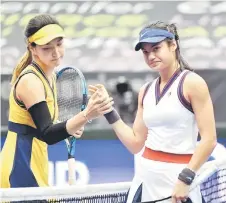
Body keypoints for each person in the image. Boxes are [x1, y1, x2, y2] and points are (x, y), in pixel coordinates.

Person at [89, 21, 217, 203]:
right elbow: (135, 144)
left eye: (156, 48)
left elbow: (209, 140)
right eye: (146, 52)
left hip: (178, 183)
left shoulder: (192, 83)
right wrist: (109, 111)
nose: (150, 56)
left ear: (173, 45)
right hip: (146, 180)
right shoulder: (146, 91)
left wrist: (186, 178)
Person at [0, 14, 113, 188]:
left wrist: (71, 125)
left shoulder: (51, 75)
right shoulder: (31, 82)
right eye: (47, 48)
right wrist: (86, 115)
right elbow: (48, 133)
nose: (56, 52)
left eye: (59, 44)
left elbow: (44, 124)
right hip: (20, 164)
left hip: (35, 161)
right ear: (33, 48)